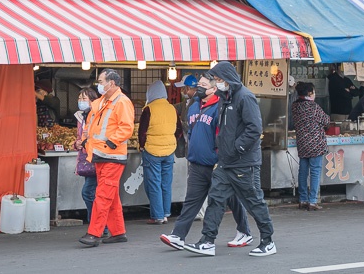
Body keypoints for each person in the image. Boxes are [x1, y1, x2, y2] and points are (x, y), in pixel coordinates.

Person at [184, 61, 276, 258]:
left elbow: (254, 129)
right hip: (227, 162)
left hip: (244, 162)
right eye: (215, 80)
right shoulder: (225, 97)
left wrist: (236, 148)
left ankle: (268, 241)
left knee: (254, 202)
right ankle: (207, 241)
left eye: (218, 79)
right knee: (215, 199)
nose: (217, 83)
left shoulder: (245, 97)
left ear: (227, 78)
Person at [160, 75, 252, 251]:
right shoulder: (194, 106)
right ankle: (178, 235)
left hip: (216, 163)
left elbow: (225, 135)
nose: (199, 88)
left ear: (213, 89)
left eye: (203, 85)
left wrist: (222, 156)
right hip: (196, 162)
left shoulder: (221, 107)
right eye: (199, 85)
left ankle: (244, 231)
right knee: (192, 200)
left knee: (230, 198)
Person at [79, 69, 134, 247]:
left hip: (111, 155)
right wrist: (85, 140)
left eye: (101, 81)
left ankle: (94, 233)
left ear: (111, 83)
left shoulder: (122, 102)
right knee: (110, 196)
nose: (98, 84)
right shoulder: (102, 101)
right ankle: (118, 232)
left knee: (102, 196)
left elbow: (126, 128)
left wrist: (110, 142)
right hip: (102, 154)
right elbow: (91, 124)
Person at [140, 80, 183, 224]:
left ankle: (157, 216)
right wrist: (171, 140)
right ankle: (166, 212)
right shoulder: (172, 109)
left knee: (154, 183)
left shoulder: (148, 109)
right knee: (166, 183)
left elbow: (142, 132)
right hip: (169, 151)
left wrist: (142, 146)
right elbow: (179, 130)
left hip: (152, 151)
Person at [292, 81, 329, 210]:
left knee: (302, 171)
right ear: (309, 93)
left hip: (302, 143)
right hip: (315, 143)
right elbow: (326, 120)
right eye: (313, 91)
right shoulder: (313, 107)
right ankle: (312, 201)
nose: (315, 94)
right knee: (315, 172)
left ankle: (302, 199)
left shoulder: (295, 106)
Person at [74, 86, 101, 224]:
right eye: (79, 98)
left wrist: (85, 142)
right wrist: (77, 143)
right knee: (92, 193)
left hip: (96, 158)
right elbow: (80, 136)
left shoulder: (96, 115)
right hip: (86, 159)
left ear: (92, 100)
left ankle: (97, 224)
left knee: (88, 193)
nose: (81, 101)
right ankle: (97, 225)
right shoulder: (80, 116)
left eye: (84, 98)